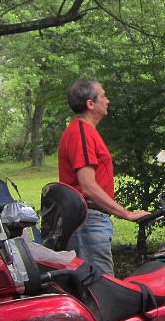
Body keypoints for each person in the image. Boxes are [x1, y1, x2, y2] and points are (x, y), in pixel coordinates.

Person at [57, 79, 148, 275]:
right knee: (100, 290)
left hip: (91, 221)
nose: (108, 100)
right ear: (90, 104)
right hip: (87, 222)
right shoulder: (81, 132)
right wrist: (127, 213)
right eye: (104, 96)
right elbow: (88, 186)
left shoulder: (85, 131)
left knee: (97, 287)